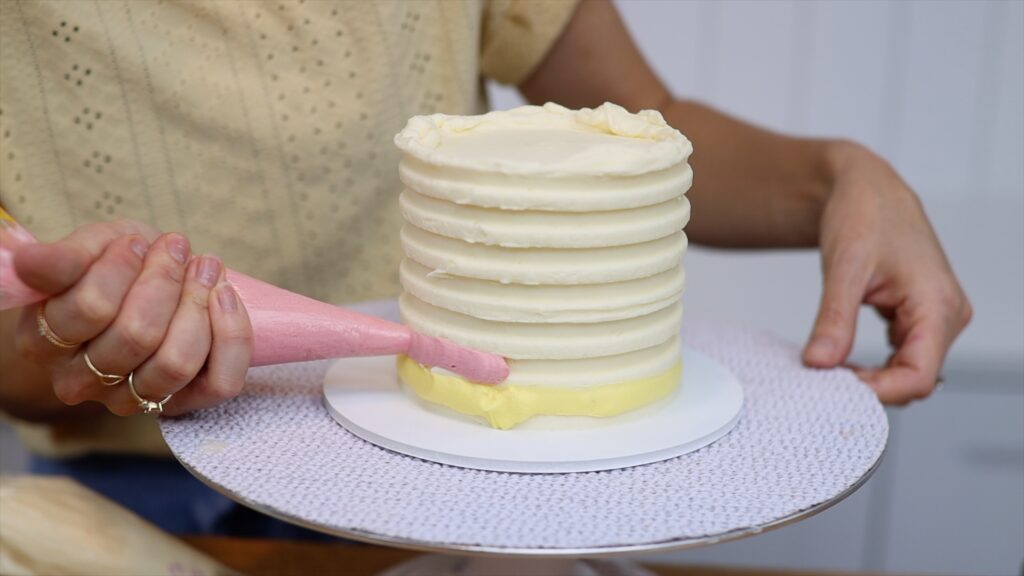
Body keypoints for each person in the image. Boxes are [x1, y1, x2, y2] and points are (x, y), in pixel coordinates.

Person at [0, 0, 969, 533]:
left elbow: (639, 143)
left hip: (456, 497)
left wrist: (841, 177)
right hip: (129, 505)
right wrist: (64, 351)